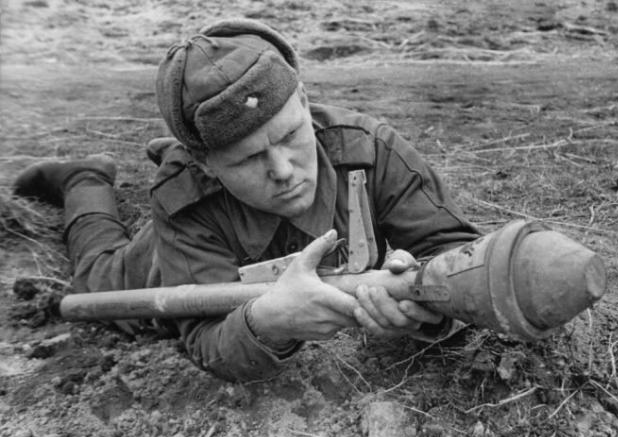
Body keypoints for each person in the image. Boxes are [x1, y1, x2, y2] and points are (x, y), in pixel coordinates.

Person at [13, 19, 480, 382]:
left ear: (302, 98)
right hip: (188, 243)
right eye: (248, 158)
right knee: (98, 283)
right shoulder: (186, 202)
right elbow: (206, 338)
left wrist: (427, 298)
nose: (283, 171)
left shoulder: (367, 150)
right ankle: (85, 179)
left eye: (291, 136)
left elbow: (457, 250)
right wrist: (267, 323)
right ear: (207, 164)